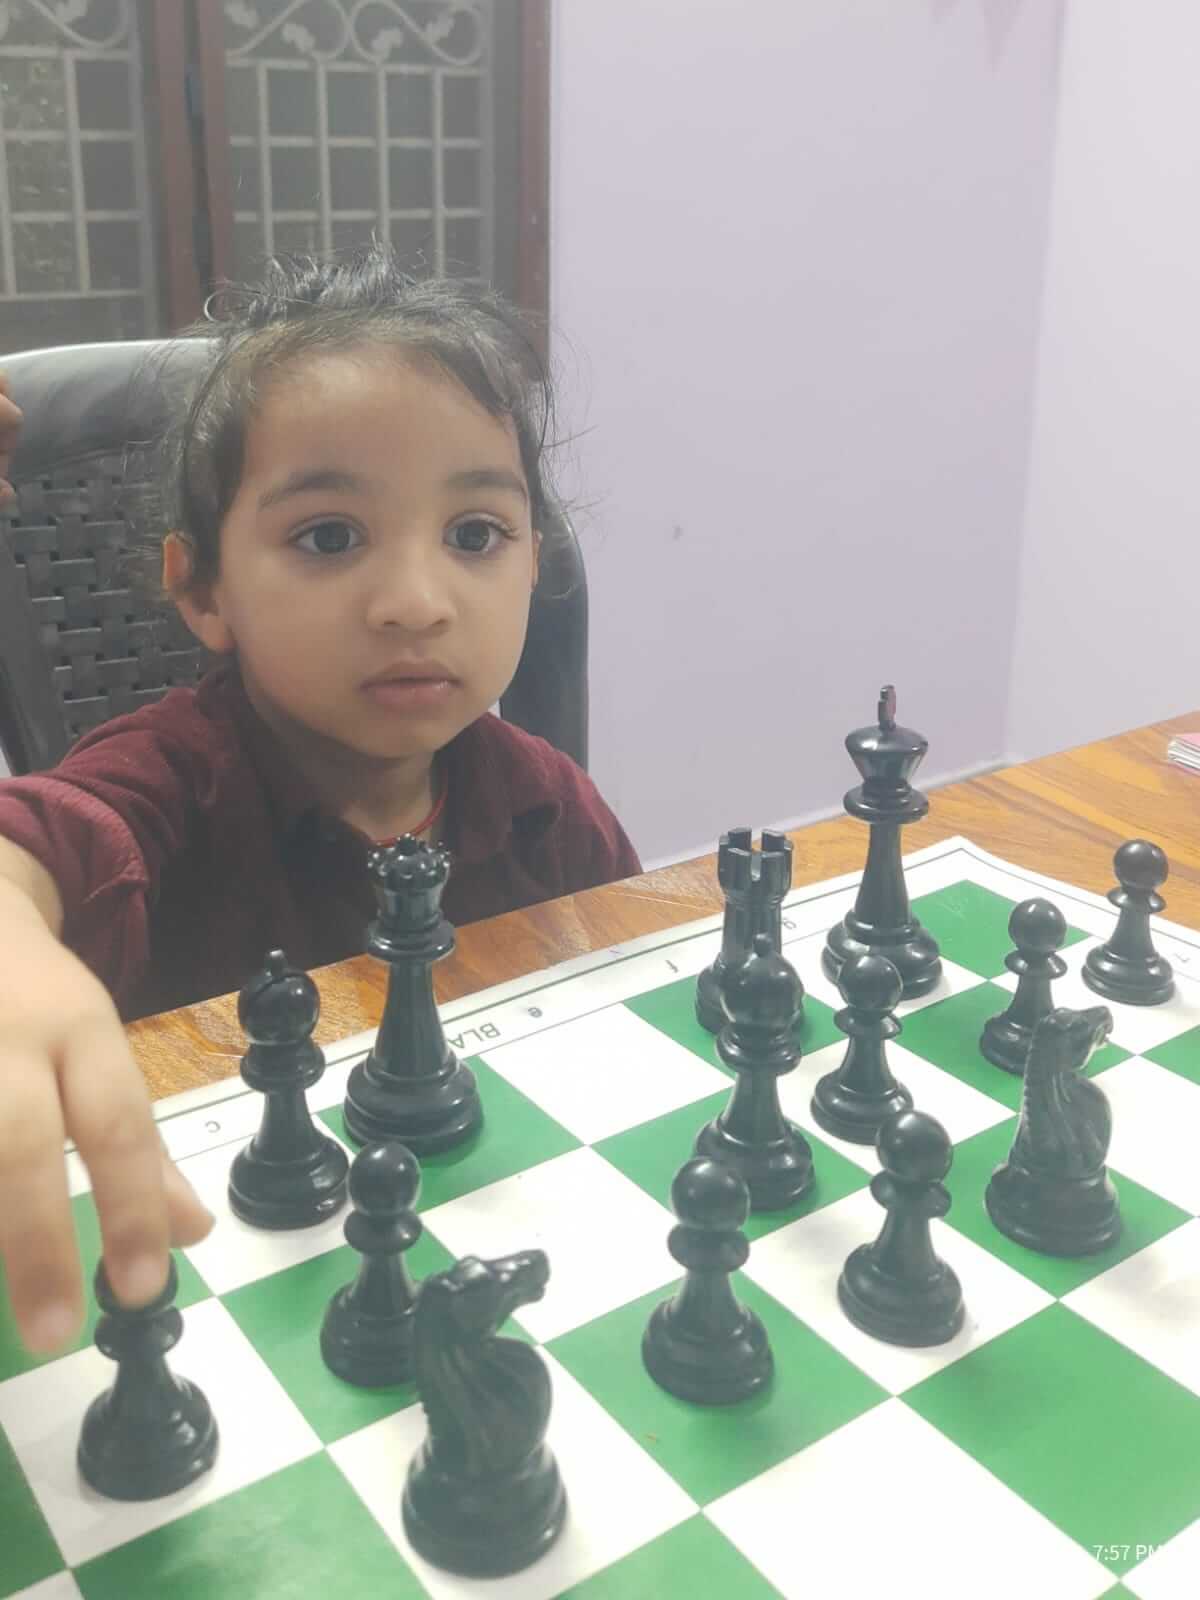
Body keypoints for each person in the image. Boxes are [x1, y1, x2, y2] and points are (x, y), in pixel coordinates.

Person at [0, 245, 640, 1358]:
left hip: (498, 1261)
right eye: (329, 537)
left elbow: (631, 1007)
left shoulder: (547, 803)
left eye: (476, 535)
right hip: (226, 1301)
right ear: (200, 586)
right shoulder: (166, 778)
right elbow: (35, 845)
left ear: (536, 558)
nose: (415, 602)